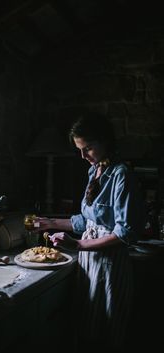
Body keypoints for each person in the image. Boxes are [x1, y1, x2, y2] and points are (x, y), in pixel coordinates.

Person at [35, 113, 144, 352]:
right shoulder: (93, 171)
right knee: (87, 327)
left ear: (105, 141)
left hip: (109, 265)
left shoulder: (121, 175)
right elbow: (87, 221)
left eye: (88, 148)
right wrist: (49, 222)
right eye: (79, 150)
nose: (83, 156)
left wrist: (78, 246)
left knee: (106, 330)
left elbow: (124, 233)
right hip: (88, 263)